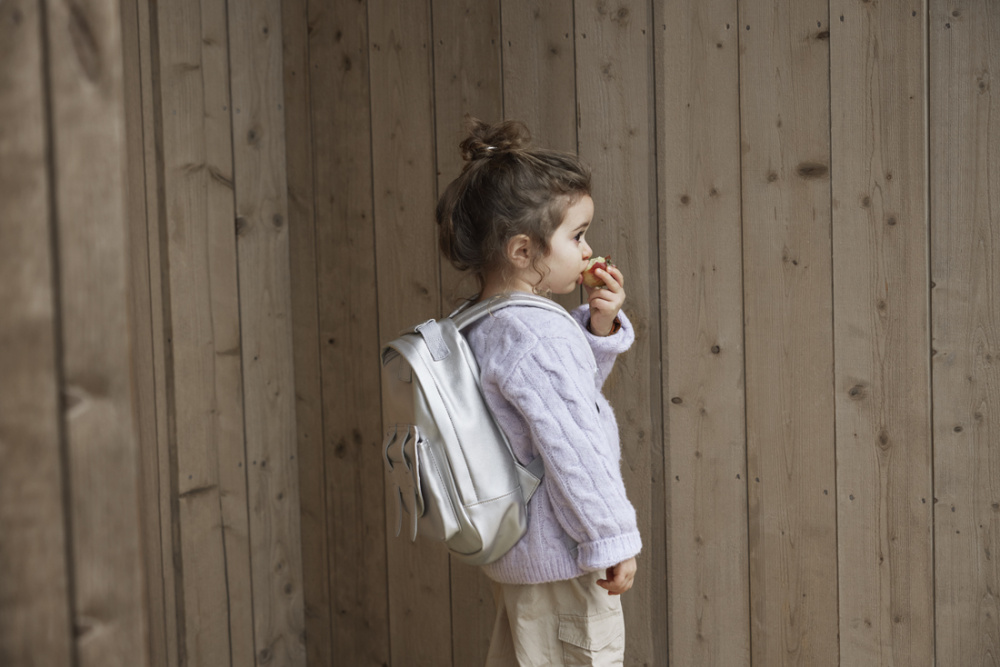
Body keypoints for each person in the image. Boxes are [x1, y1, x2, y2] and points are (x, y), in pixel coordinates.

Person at [437, 118, 641, 666]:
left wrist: (597, 333)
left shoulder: (479, 322)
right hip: (567, 563)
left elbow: (545, 417)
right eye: (576, 236)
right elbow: (573, 444)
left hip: (521, 560)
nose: (587, 249)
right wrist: (612, 537)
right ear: (524, 251)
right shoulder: (539, 332)